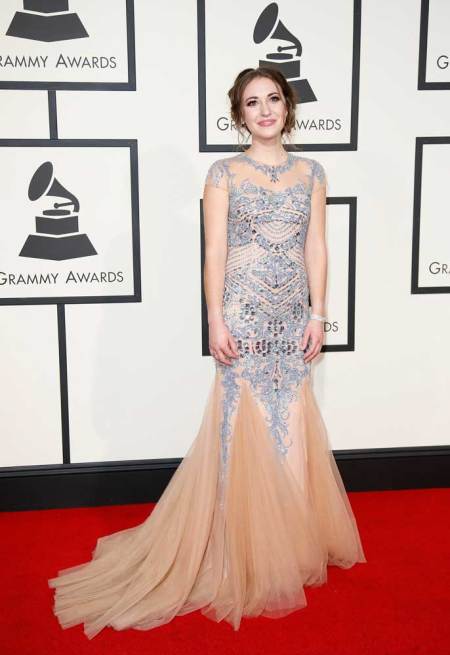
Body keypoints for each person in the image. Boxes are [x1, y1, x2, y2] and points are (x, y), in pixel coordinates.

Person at [48, 67, 366, 640]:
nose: (264, 109)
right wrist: (215, 318)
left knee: (290, 423)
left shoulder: (313, 173)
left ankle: (289, 545)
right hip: (243, 315)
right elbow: (214, 249)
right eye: (252, 102)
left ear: (287, 108)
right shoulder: (224, 174)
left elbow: (316, 244)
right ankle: (240, 550)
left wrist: (320, 313)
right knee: (240, 426)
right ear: (238, 114)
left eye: (273, 99)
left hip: (292, 316)